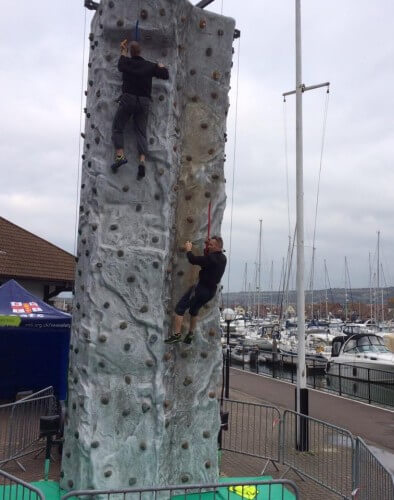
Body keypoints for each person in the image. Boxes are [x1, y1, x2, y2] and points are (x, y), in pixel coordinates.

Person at [111, 40, 169, 179]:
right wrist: (160, 66)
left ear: (131, 53)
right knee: (141, 132)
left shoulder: (126, 63)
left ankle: (120, 156)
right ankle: (142, 162)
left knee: (118, 127)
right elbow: (165, 75)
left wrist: (123, 50)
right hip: (143, 101)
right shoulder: (149, 66)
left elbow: (121, 64)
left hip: (128, 99)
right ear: (140, 52)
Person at [165, 237, 227, 345]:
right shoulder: (223, 258)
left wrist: (188, 249)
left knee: (180, 309)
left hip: (200, 289)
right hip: (210, 292)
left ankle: (176, 336)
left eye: (211, 245)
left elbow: (193, 260)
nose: (208, 246)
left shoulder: (210, 259)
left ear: (217, 247)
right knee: (194, 310)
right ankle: (190, 335)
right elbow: (208, 259)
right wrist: (207, 248)